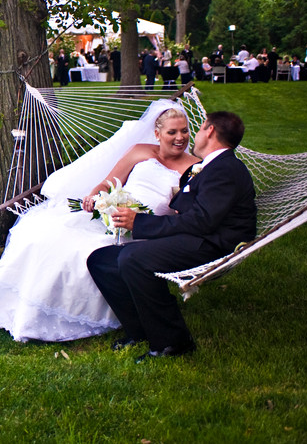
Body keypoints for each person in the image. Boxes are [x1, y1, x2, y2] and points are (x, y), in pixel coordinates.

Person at [0, 101, 199, 342]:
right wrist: (96, 197)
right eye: (172, 132)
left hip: (146, 227)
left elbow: (187, 209)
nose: (180, 137)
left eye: (185, 131)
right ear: (157, 133)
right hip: (110, 214)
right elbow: (108, 182)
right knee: (50, 235)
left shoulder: (195, 167)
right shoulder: (141, 151)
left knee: (81, 252)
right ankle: (34, 307)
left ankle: (86, 314)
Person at [88, 111, 257, 361]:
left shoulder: (225, 168)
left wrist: (141, 222)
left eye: (197, 129)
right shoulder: (211, 166)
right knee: (101, 260)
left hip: (213, 244)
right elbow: (196, 209)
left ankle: (173, 342)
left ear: (209, 131)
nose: (194, 136)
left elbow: (202, 221)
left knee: (133, 258)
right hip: (199, 235)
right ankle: (140, 330)